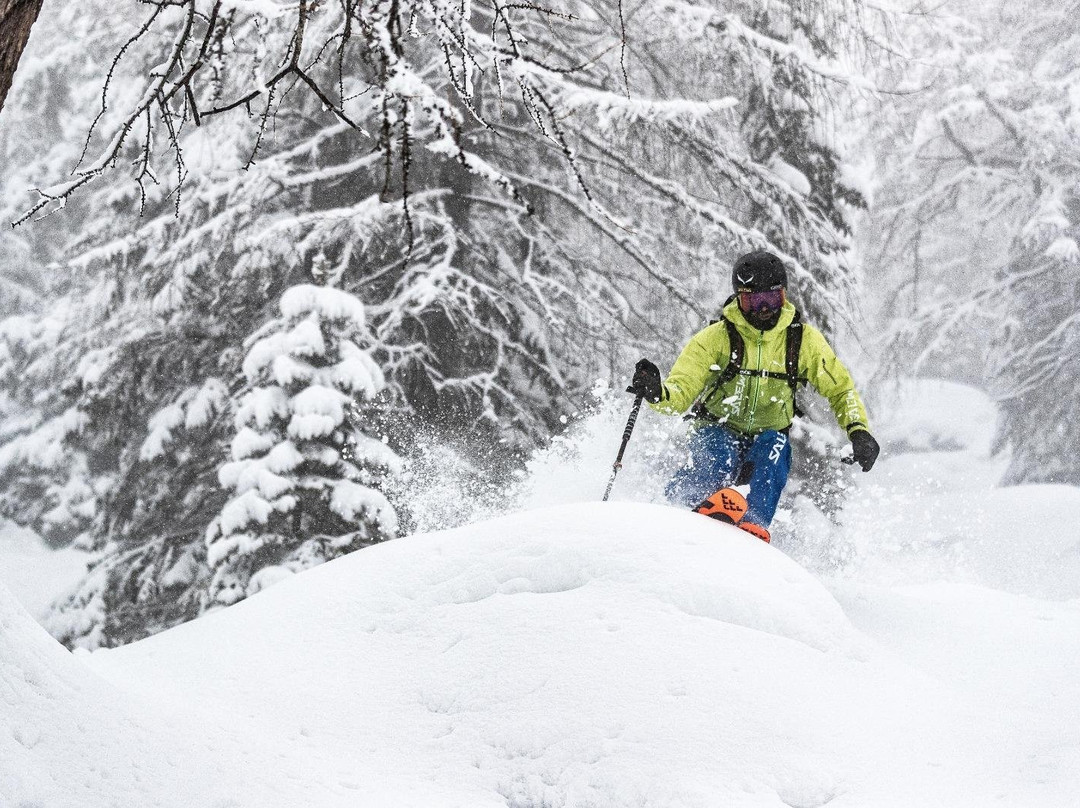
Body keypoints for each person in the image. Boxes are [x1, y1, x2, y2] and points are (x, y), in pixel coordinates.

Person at [627, 250, 879, 543]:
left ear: (783, 297)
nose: (763, 310)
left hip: (768, 434)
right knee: (718, 453)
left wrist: (858, 430)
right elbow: (680, 392)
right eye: (753, 301)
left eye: (771, 300)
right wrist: (658, 393)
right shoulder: (717, 338)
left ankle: (752, 527)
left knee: (774, 449)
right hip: (717, 426)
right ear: (739, 299)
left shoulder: (802, 341)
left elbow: (840, 388)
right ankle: (680, 510)